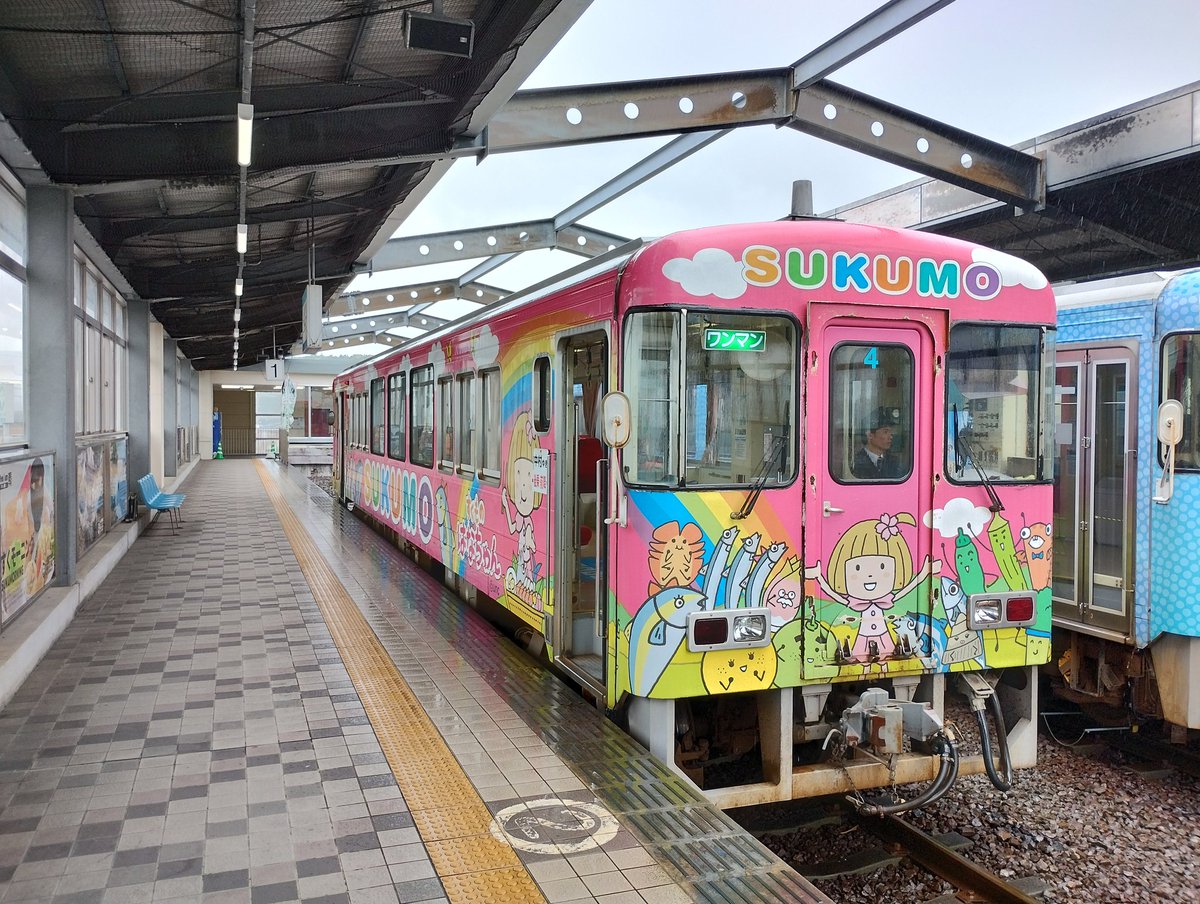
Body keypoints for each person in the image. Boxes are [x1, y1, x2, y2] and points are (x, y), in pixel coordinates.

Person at [852, 408, 901, 479]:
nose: (890, 436)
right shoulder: (856, 462)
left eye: (891, 432)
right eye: (885, 432)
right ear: (870, 435)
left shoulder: (894, 462)